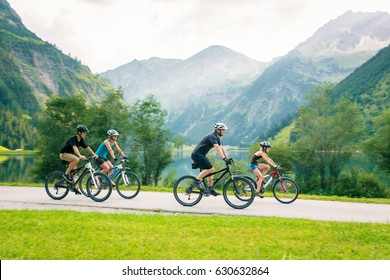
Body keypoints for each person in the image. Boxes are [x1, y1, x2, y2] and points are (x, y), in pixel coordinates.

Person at [191, 122, 232, 196]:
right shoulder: (212, 136)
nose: (224, 131)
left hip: (201, 155)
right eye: (223, 130)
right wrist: (223, 158)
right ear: (217, 130)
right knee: (209, 169)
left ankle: (210, 188)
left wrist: (227, 158)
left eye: (224, 130)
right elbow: (217, 148)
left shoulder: (217, 137)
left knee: (212, 169)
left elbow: (222, 148)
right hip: (197, 155)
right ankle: (196, 181)